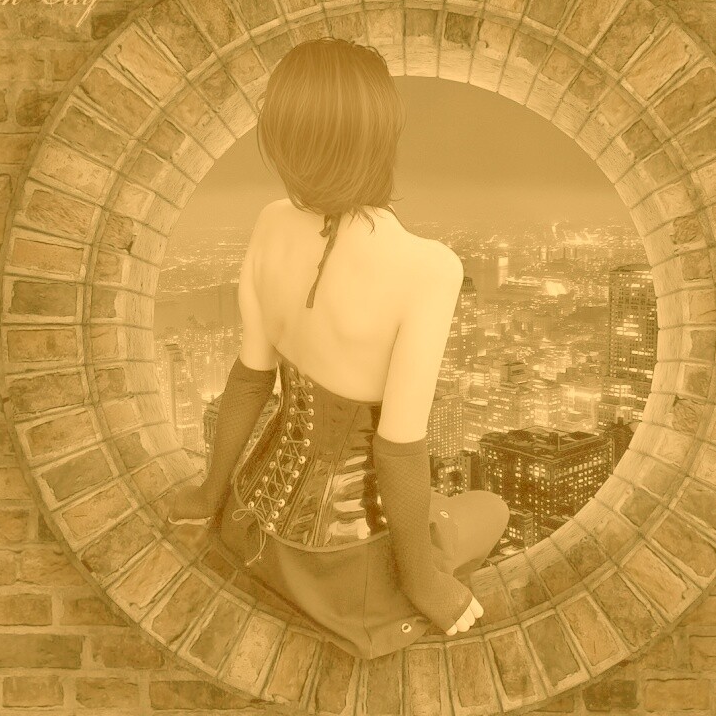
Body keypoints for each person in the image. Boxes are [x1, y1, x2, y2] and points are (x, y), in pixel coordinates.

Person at [166, 37, 511, 659]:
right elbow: (398, 450)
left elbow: (249, 379)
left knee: (447, 506)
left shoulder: (270, 222)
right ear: (382, 135)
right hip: (344, 577)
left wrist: (210, 497)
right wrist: (424, 583)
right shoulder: (428, 267)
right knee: (490, 509)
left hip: (248, 525)